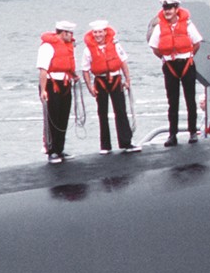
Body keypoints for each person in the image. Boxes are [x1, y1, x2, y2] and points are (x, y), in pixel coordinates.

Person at [147, 0, 204, 146]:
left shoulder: (188, 25)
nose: (167, 12)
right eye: (165, 9)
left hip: (186, 64)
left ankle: (193, 132)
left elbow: (197, 43)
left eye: (170, 9)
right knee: (172, 101)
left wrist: (188, 57)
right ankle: (172, 135)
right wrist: (165, 58)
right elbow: (154, 47)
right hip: (170, 66)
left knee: (190, 99)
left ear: (176, 9)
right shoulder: (159, 27)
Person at [82, 19, 138, 154]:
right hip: (100, 81)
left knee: (121, 111)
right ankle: (105, 146)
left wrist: (127, 79)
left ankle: (126, 142)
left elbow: (123, 62)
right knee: (102, 113)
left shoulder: (115, 45)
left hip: (116, 79)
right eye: (95, 32)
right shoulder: (88, 49)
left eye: (100, 32)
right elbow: (85, 70)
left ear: (105, 32)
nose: (97, 35)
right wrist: (90, 87)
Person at [36, 21, 80, 164]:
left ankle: (60, 149)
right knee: (52, 118)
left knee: (63, 117)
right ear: (64, 33)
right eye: (70, 33)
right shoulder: (47, 47)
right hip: (51, 83)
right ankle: (51, 150)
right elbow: (43, 70)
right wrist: (43, 90)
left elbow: (66, 65)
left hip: (65, 83)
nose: (71, 36)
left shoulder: (67, 47)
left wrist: (74, 75)